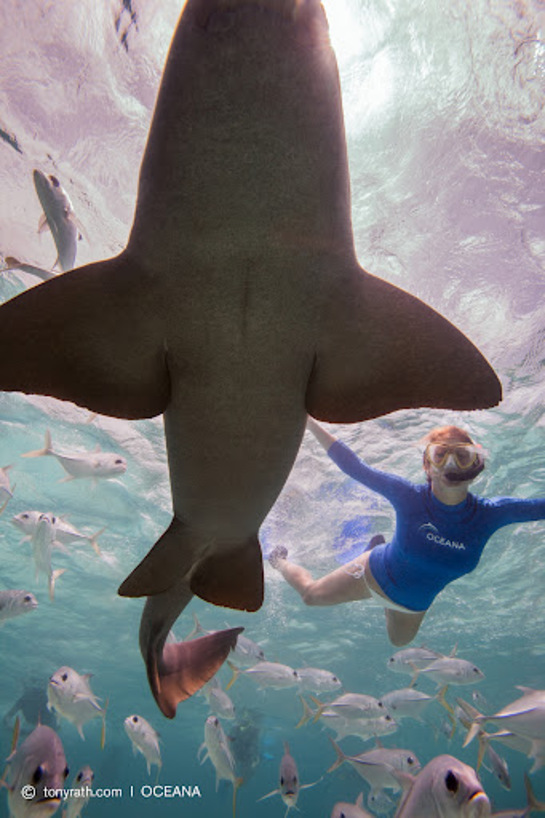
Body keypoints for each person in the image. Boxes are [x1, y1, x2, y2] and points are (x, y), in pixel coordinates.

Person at [269, 418, 545, 646]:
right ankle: (278, 560)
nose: (451, 464)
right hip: (372, 574)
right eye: (441, 455)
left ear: (475, 467)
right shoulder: (409, 496)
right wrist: (307, 420)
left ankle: (373, 566)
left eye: (462, 456)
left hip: (412, 604)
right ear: (427, 466)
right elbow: (354, 467)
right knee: (311, 596)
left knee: (398, 643)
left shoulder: (492, 513)